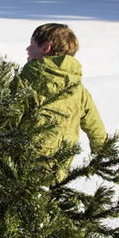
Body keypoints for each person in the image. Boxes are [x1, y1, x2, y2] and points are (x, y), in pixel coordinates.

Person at [20, 23, 106, 176]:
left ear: (46, 48)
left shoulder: (26, 82)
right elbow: (95, 126)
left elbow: (4, 121)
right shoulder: (78, 89)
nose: (27, 49)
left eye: (31, 43)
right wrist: (102, 156)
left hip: (23, 167)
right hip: (61, 167)